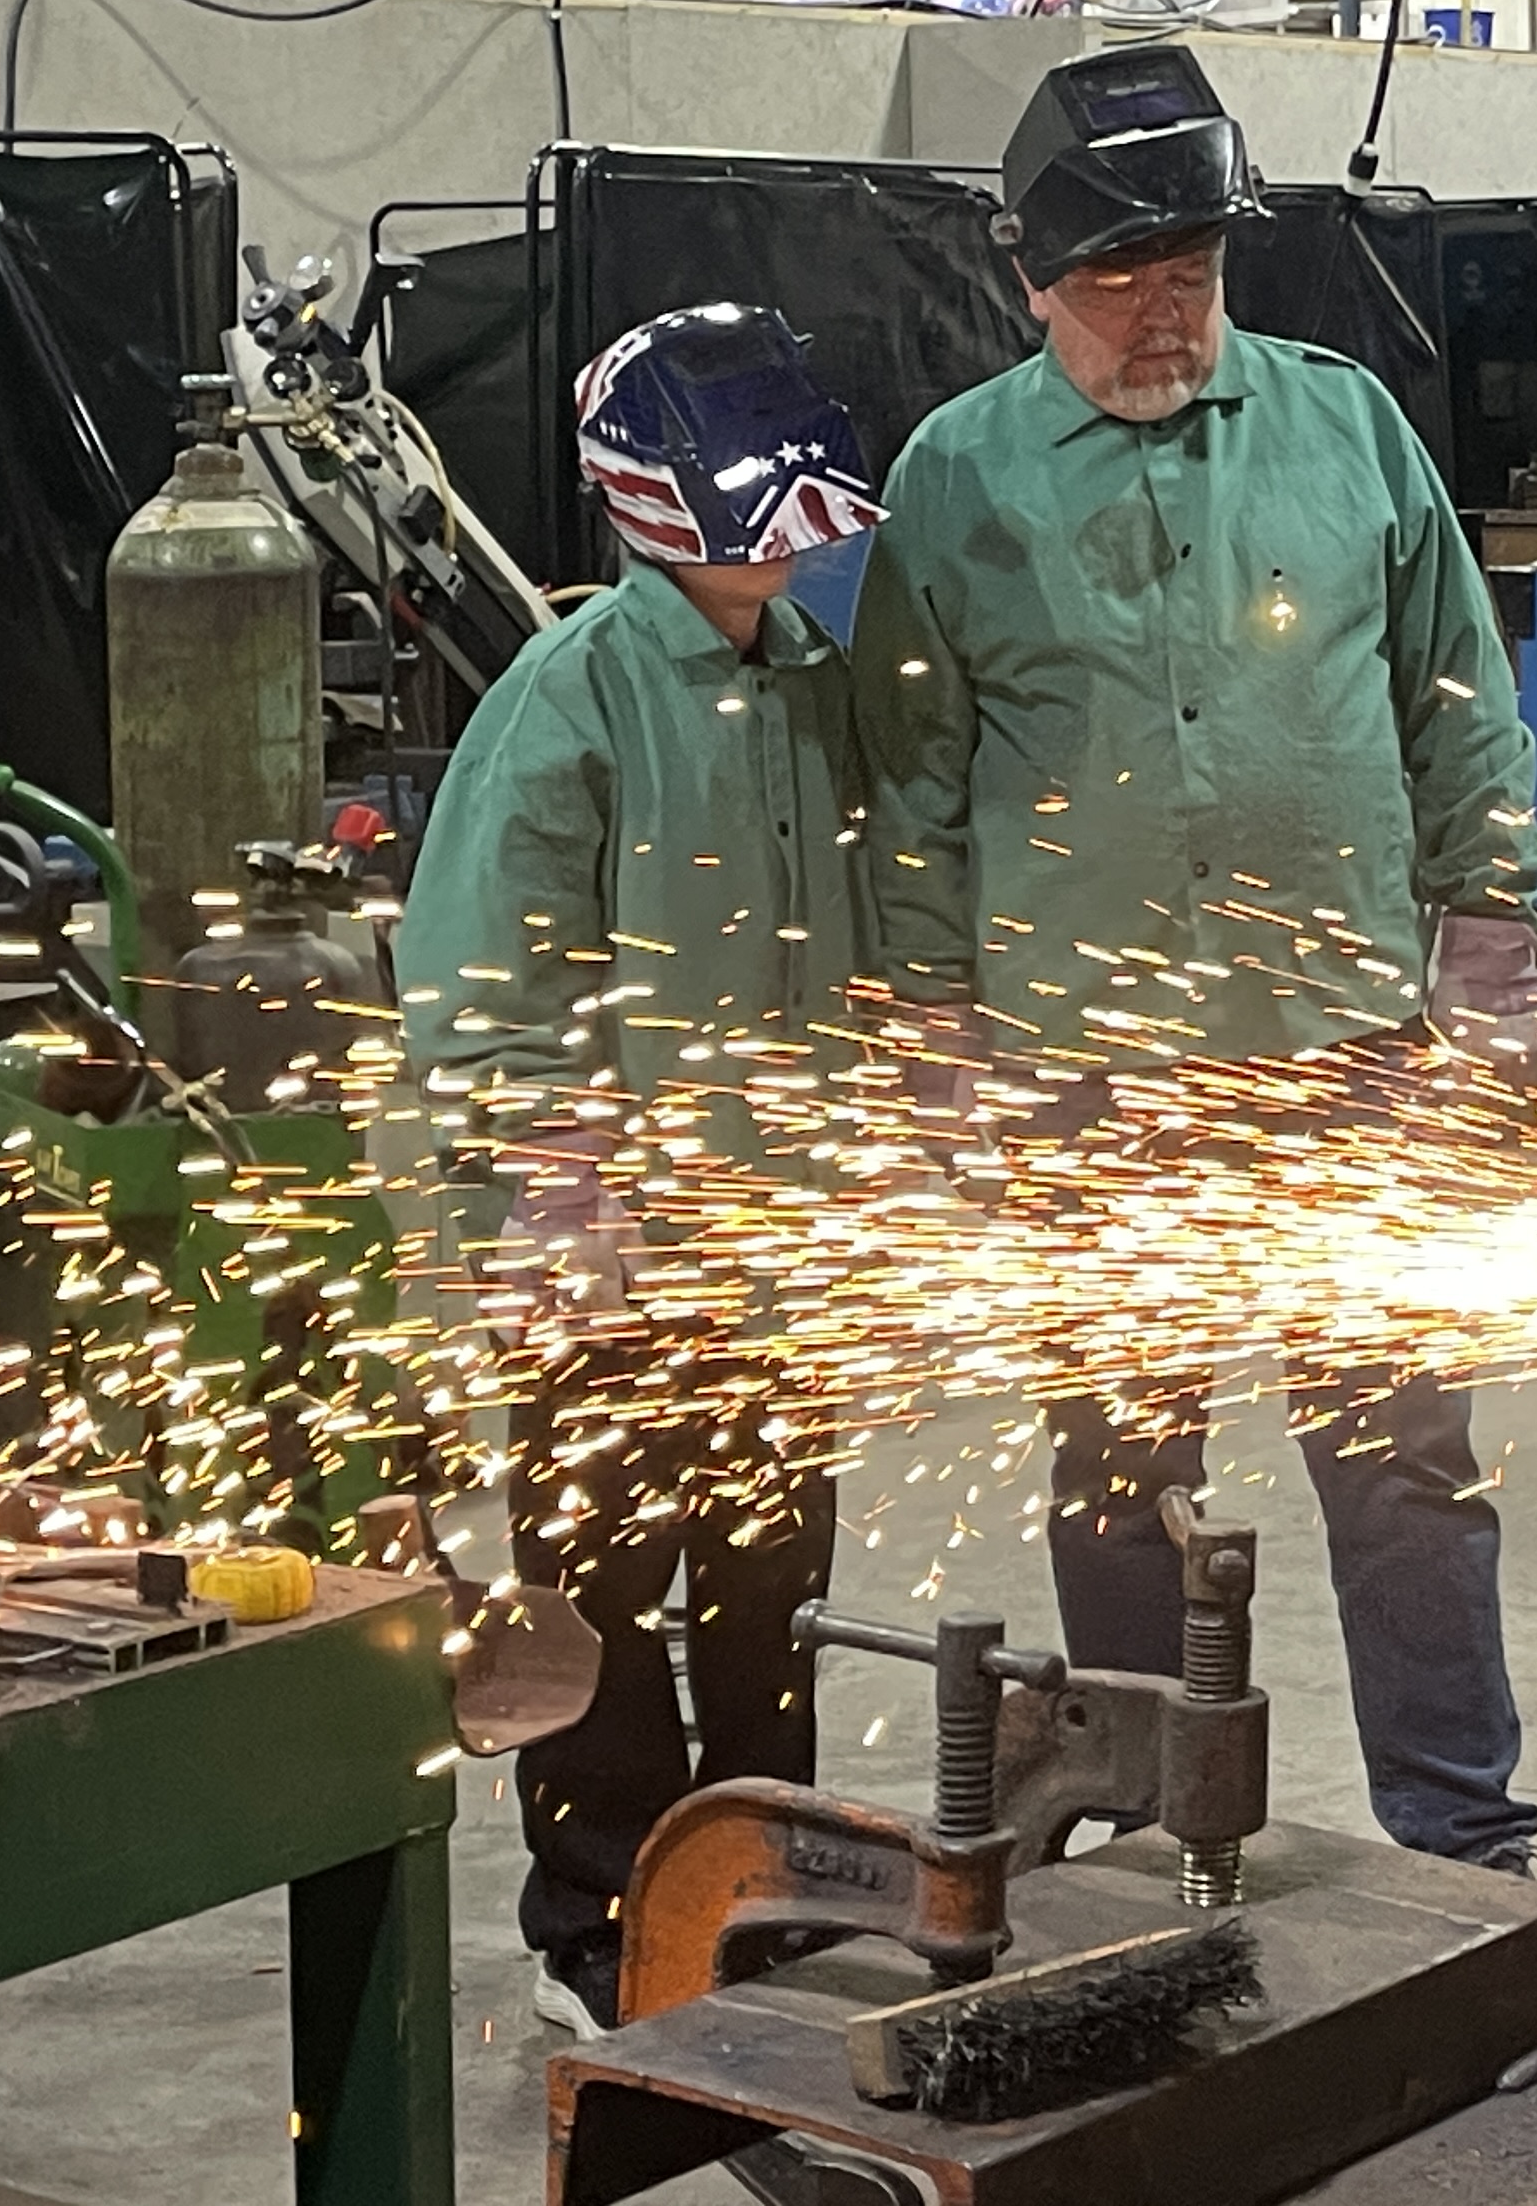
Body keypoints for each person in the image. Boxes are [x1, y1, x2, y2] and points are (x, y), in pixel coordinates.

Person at [856, 42, 1537, 1874]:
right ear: (1029, 280)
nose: (1167, 313)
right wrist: (934, 1026)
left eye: (1197, 271)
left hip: (1349, 1058)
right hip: (1088, 1078)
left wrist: (1486, 934)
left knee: (1404, 1471)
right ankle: (1157, 1822)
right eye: (1119, 280)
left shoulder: (1348, 430)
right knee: (1120, 1479)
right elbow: (912, 780)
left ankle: (1463, 1843)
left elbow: (1455, 695)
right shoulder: (956, 480)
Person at [397, 302, 887, 2031]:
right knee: (602, 1598)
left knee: (773, 1588)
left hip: (775, 1248)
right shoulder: (573, 696)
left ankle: (764, 1883)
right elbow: (478, 970)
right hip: (599, 1260)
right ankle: (603, 1920)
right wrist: (556, 1181)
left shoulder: (809, 688)